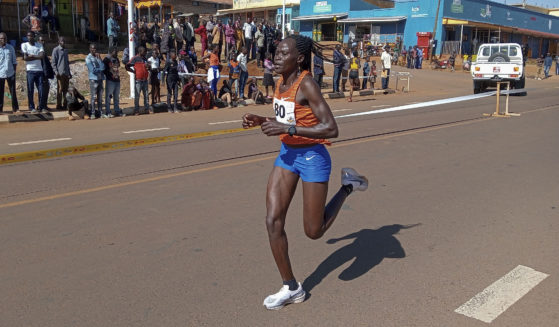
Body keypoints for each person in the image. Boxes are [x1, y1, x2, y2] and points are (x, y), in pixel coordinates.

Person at [241, 34, 368, 310]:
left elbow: (331, 128)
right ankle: (291, 287)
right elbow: (289, 119)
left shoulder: (307, 83)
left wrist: (287, 129)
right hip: (287, 155)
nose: (276, 57)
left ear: (298, 58)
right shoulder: (280, 82)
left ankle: (347, 186)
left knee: (314, 231)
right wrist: (262, 120)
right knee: (273, 221)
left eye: (282, 53)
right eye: (275, 52)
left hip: (313, 157)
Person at [21, 31, 45, 114]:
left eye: (31, 36)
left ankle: (41, 107)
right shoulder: (24, 45)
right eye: (28, 36)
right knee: (30, 89)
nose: (29, 37)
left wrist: (32, 56)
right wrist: (36, 57)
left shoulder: (39, 45)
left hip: (39, 70)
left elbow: (42, 56)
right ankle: (32, 108)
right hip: (30, 70)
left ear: (34, 36)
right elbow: (25, 58)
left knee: (41, 89)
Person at [126, 46, 151, 115]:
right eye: (144, 51)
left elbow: (148, 67)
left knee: (146, 95)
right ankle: (136, 110)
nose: (145, 52)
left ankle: (147, 109)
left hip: (145, 79)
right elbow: (127, 66)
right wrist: (133, 72)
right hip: (138, 80)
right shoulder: (135, 58)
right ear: (140, 51)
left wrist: (148, 66)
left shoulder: (145, 58)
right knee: (137, 96)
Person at [0, 32, 19, 114]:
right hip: (0, 73)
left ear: (6, 39)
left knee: (13, 92)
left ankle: (15, 108)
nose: (3, 40)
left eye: (4, 38)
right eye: (1, 38)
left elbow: (14, 61)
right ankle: (0, 109)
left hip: (10, 73)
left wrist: (14, 72)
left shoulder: (10, 48)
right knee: (0, 92)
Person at [85, 43, 105, 119]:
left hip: (100, 79)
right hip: (93, 79)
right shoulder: (88, 58)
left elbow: (103, 67)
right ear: (90, 49)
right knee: (93, 98)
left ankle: (100, 112)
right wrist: (100, 69)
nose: (94, 50)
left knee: (100, 98)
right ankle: (93, 113)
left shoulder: (97, 57)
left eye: (95, 48)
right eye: (93, 48)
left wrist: (99, 58)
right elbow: (92, 70)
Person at [52, 36, 72, 111]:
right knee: (60, 89)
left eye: (64, 41)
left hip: (66, 73)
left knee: (66, 90)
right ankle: (58, 104)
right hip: (60, 73)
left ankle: (65, 104)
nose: (63, 42)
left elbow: (67, 62)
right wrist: (56, 72)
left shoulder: (66, 50)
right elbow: (53, 63)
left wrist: (69, 72)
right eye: (61, 41)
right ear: (59, 42)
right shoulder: (56, 50)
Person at [103, 47, 123, 117]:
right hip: (110, 80)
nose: (117, 53)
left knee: (116, 97)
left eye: (117, 51)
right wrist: (109, 75)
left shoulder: (116, 58)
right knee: (108, 97)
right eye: (115, 52)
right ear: (111, 52)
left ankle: (117, 111)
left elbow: (118, 66)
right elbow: (103, 69)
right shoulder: (106, 59)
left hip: (117, 79)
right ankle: (108, 112)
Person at [37, 36, 54, 112]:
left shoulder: (43, 51)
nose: (43, 42)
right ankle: (41, 107)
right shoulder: (38, 51)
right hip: (41, 75)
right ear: (38, 41)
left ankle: (44, 105)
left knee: (46, 90)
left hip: (45, 75)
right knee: (42, 91)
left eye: (44, 41)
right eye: (41, 41)